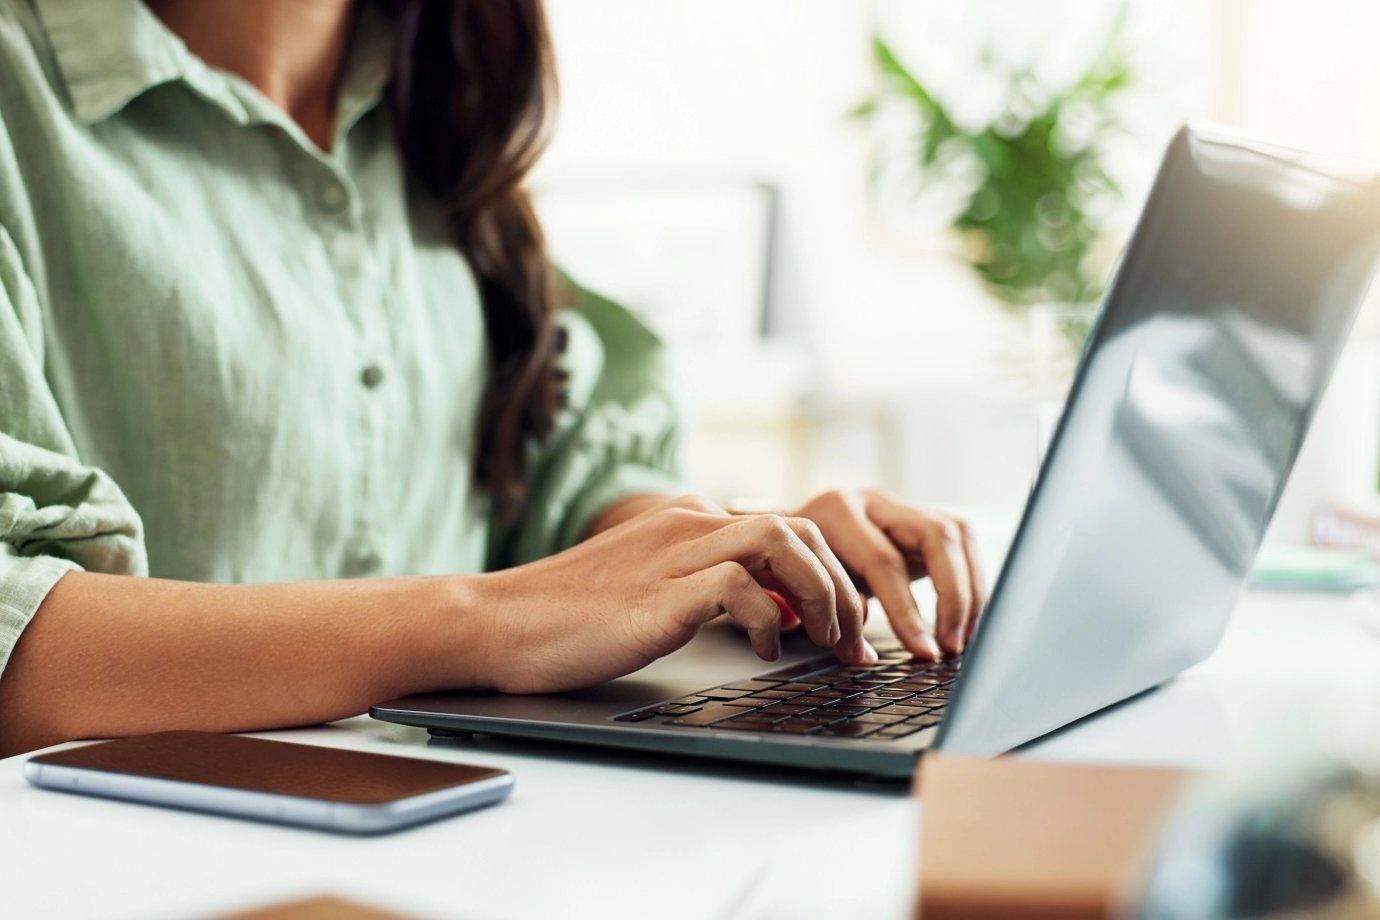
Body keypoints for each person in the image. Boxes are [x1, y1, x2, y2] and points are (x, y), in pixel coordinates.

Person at [0, 0, 984, 757]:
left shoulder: (434, 113)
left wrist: (723, 555)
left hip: (472, 837)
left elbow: (546, 470)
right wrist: (491, 620)